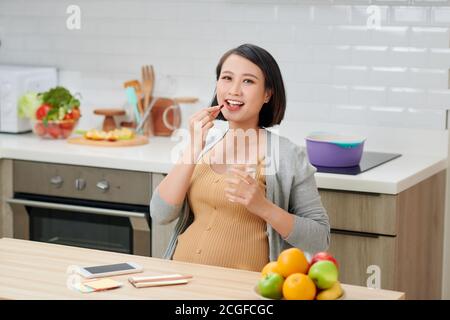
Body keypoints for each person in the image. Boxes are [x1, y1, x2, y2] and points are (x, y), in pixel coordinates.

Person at [150, 43, 330, 272]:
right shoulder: (203, 141)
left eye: (248, 81)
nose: (234, 90)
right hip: (181, 279)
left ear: (267, 94)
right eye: (227, 78)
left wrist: (263, 206)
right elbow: (160, 214)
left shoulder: (287, 155)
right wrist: (193, 148)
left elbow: (319, 238)